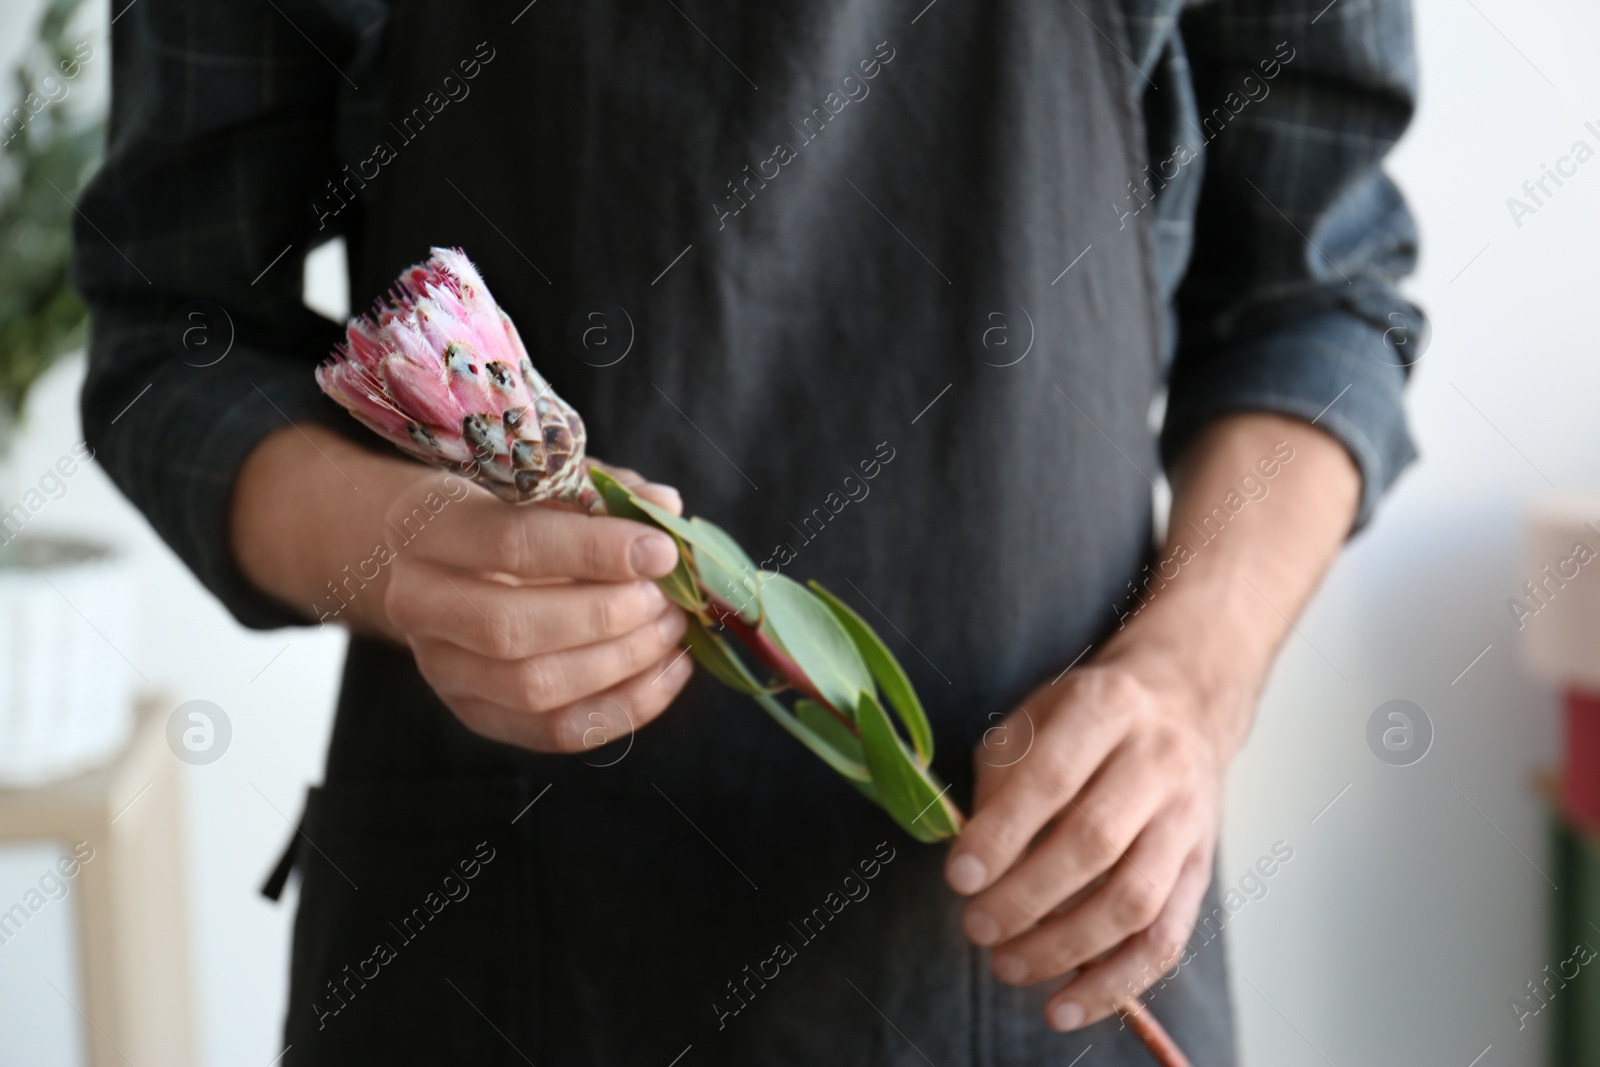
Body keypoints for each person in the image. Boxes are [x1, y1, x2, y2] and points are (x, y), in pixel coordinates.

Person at [74, 0, 1422, 1063]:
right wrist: (396, 544)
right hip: (505, 956)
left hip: (1041, 961)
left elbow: (1317, 305)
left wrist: (1193, 679)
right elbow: (175, 336)